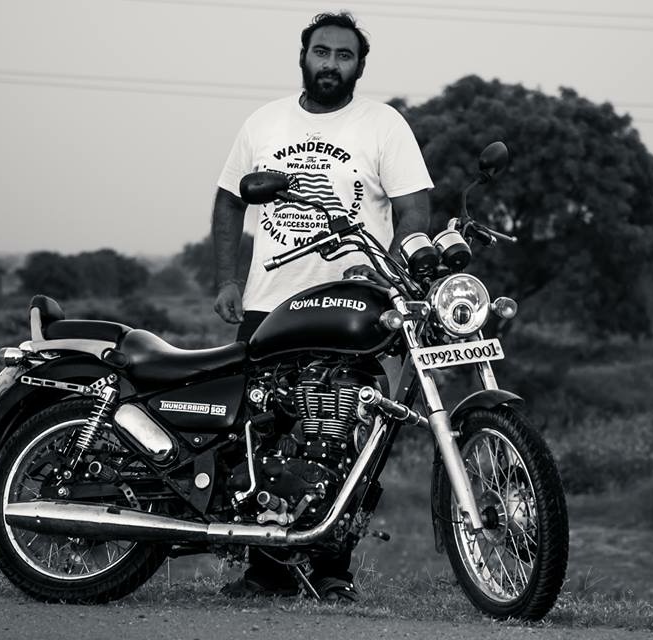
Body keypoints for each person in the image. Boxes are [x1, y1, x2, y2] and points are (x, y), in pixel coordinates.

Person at [210, 12, 433, 600]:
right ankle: (266, 568)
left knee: (352, 439)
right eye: (321, 52)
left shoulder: (383, 125)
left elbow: (414, 207)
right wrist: (227, 279)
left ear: (360, 65)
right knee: (260, 435)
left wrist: (391, 269)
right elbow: (231, 199)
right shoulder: (264, 122)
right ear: (303, 55)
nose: (331, 63)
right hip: (268, 304)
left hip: (355, 307)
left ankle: (333, 570)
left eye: (344, 55)